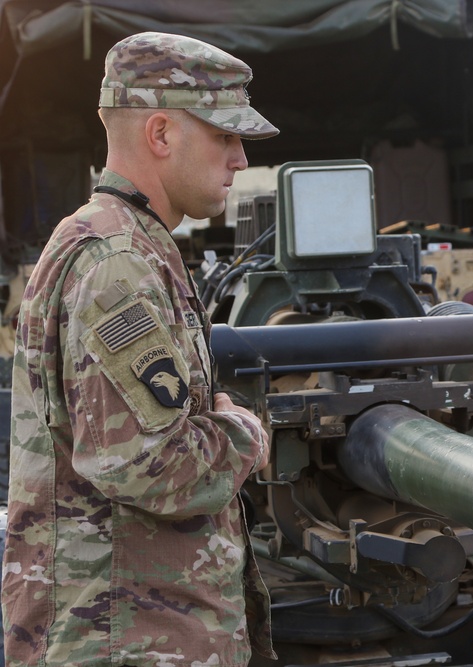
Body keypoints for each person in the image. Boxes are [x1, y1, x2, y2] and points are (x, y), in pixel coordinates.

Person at [2, 32, 279, 666]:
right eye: (224, 137)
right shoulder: (117, 263)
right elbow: (151, 466)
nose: (239, 159)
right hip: (121, 639)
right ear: (161, 134)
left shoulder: (129, 245)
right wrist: (243, 432)